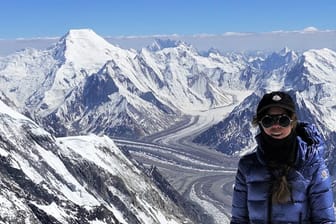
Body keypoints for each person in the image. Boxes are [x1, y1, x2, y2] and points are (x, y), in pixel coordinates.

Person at [230, 91, 335, 223]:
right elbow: (239, 219)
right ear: (260, 124)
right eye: (268, 121)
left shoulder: (311, 163)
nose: (276, 126)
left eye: (283, 120)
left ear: (292, 122)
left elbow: (325, 220)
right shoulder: (247, 166)